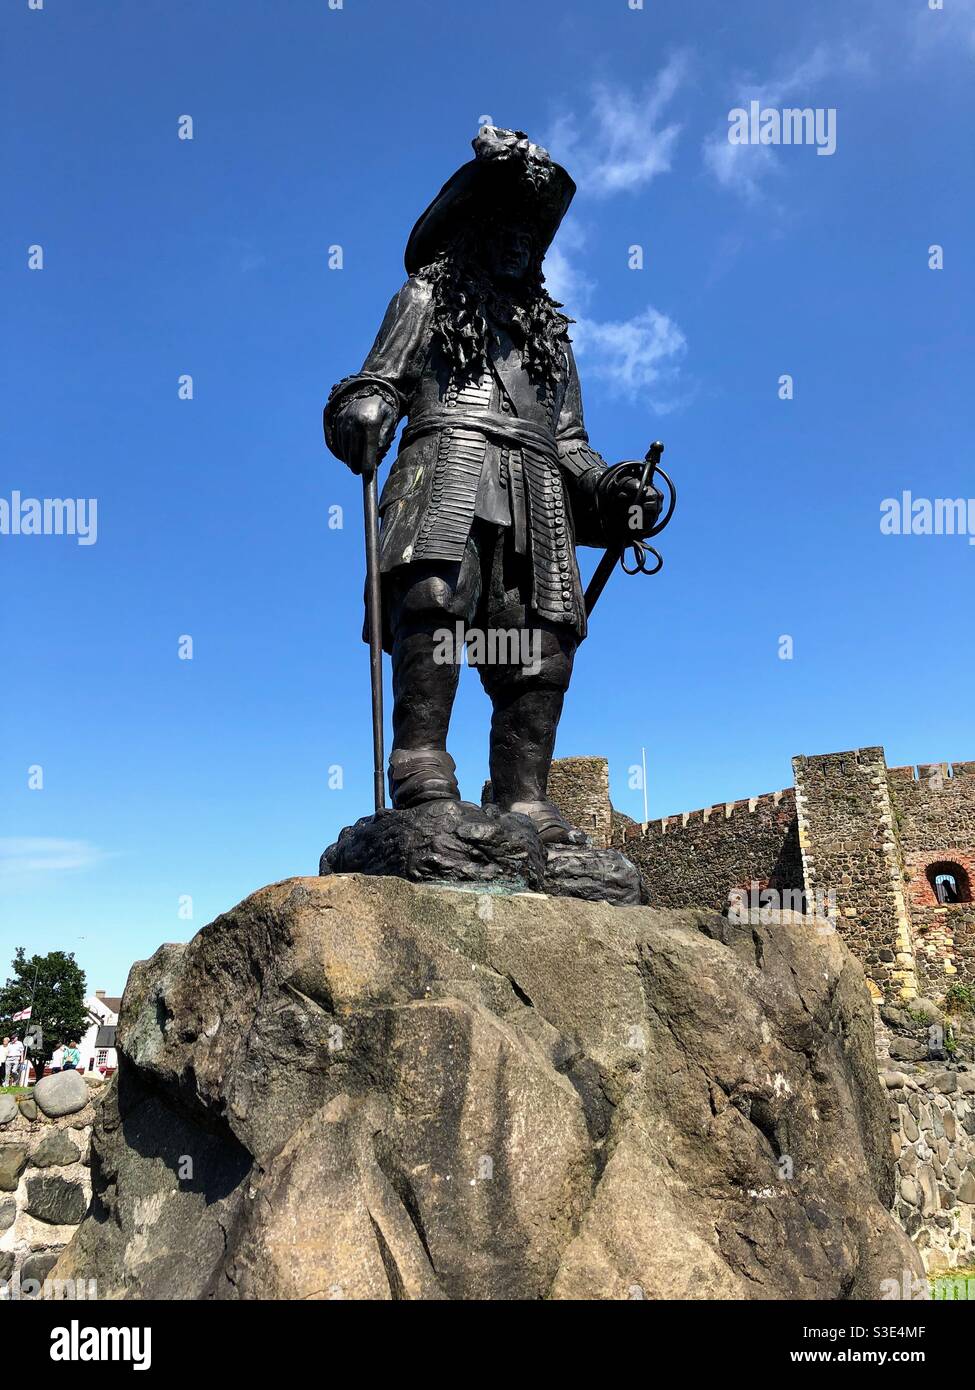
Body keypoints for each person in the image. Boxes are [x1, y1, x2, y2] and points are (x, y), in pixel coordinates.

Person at [324, 127, 660, 841]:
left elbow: (569, 441)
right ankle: (420, 765)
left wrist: (615, 491)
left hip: (535, 489)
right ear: (471, 231)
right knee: (436, 602)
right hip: (447, 463)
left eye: (529, 237)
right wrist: (364, 407)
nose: (517, 245)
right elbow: (374, 379)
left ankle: (521, 795)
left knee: (538, 646)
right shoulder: (426, 298)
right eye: (502, 230)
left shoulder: (552, 340)